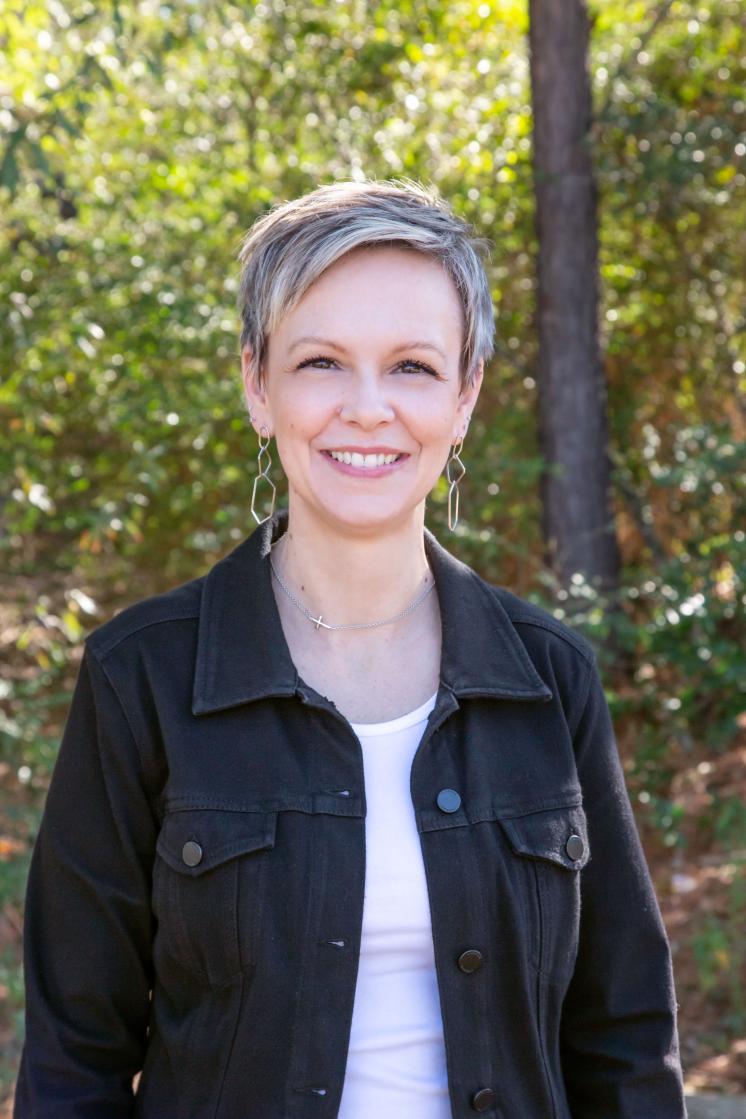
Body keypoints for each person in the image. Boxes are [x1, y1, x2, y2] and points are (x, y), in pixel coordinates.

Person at [14, 179, 686, 1118]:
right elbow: (73, 1061)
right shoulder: (144, 677)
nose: (367, 408)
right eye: (322, 361)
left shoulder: (549, 679)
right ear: (258, 385)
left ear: (465, 395)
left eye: (411, 366)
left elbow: (623, 1043)